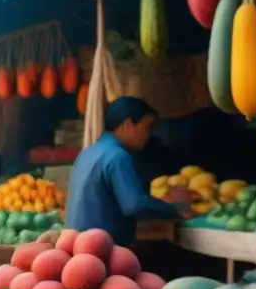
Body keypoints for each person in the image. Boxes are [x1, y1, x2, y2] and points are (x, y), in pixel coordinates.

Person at [65, 96, 192, 247]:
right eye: (147, 127)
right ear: (127, 125)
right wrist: (176, 209)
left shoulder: (88, 152)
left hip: (75, 244)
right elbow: (135, 205)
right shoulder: (117, 157)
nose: (148, 136)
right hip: (99, 248)